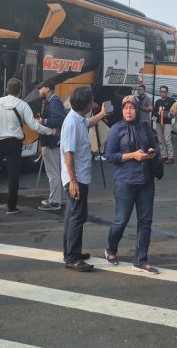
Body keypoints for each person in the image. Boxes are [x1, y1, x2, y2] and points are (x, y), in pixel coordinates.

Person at [104, 95, 162, 273]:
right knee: (121, 221)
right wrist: (132, 156)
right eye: (126, 108)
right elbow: (109, 155)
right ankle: (111, 249)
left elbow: (155, 146)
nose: (129, 111)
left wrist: (152, 152)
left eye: (132, 108)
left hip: (146, 181)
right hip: (125, 182)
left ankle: (140, 259)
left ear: (137, 110)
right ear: (122, 110)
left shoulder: (144, 127)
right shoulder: (116, 129)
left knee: (145, 221)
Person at [0, 78, 55, 215]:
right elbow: (34, 126)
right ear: (20, 91)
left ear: (7, 89)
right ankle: (11, 207)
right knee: (13, 174)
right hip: (14, 143)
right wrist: (51, 131)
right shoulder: (23, 105)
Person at [61, 86, 108, 272]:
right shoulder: (72, 123)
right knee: (77, 217)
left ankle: (72, 251)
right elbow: (69, 154)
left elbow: (88, 123)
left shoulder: (78, 118)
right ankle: (72, 257)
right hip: (76, 178)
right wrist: (73, 181)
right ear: (86, 105)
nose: (93, 104)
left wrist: (102, 114)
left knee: (72, 216)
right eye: (92, 102)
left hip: (79, 176)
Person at [37, 82, 68, 212]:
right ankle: (58, 198)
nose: (39, 90)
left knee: (53, 172)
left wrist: (43, 121)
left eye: (41, 87)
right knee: (56, 171)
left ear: (48, 88)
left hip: (51, 142)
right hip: (51, 141)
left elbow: (61, 120)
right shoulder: (51, 101)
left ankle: (55, 202)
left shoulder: (54, 102)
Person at [153, 86, 175, 164]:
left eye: (164, 92)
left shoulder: (171, 100)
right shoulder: (158, 101)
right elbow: (154, 111)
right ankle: (164, 156)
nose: (162, 93)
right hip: (158, 122)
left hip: (167, 123)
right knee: (161, 140)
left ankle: (170, 157)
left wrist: (170, 114)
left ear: (167, 93)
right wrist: (156, 114)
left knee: (167, 140)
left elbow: (175, 110)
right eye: (161, 91)